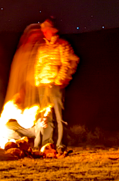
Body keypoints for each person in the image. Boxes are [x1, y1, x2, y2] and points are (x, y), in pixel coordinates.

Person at [33, 17, 79, 154]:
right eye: (44, 30)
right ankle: (48, 144)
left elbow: (68, 63)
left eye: (46, 30)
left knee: (59, 117)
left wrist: (59, 81)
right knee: (46, 117)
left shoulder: (62, 45)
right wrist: (38, 80)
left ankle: (61, 144)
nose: (44, 32)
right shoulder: (42, 48)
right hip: (43, 85)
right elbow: (38, 65)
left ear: (52, 31)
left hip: (56, 85)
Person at [4, 23, 43, 111]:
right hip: (24, 81)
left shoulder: (39, 52)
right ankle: (18, 110)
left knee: (37, 99)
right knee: (21, 92)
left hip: (36, 81)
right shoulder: (22, 53)